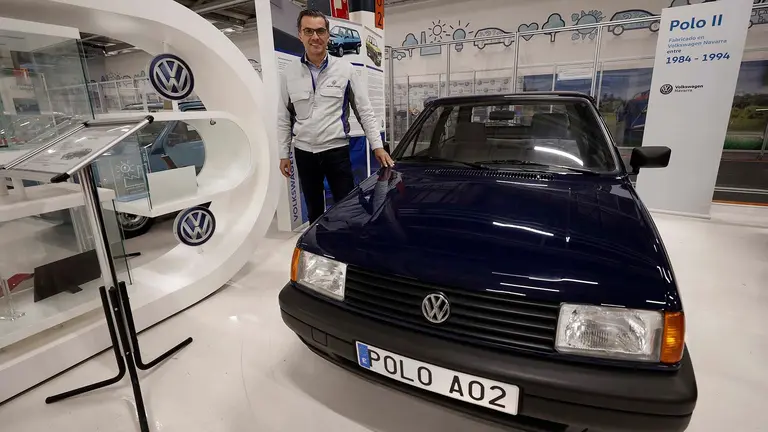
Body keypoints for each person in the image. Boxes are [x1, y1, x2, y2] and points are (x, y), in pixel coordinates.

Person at [277, 9, 394, 224]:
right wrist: (284, 153)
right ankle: (318, 252)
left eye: (320, 31)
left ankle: (344, 249)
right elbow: (284, 116)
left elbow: (364, 110)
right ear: (300, 34)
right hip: (304, 153)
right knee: (314, 210)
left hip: (336, 152)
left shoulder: (345, 70)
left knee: (345, 207)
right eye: (309, 31)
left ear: (328, 35)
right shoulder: (289, 74)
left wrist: (377, 146)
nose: (315, 37)